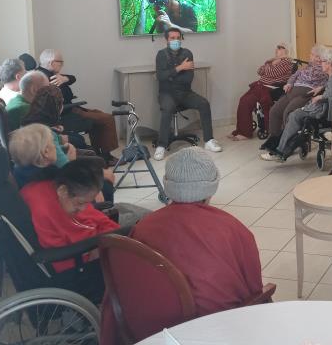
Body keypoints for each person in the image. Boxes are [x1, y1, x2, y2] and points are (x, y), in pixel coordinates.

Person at [99, 147, 264, 344]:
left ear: (168, 186)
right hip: (211, 332)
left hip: (147, 331)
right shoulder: (233, 229)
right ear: (211, 188)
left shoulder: (142, 226)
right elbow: (255, 292)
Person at [20, 157, 119, 274]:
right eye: (80, 203)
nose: (83, 208)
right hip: (81, 265)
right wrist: (97, 251)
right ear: (63, 191)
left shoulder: (62, 192)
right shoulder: (44, 213)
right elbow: (62, 262)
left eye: (88, 202)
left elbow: (103, 222)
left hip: (96, 242)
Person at [260, 48, 332, 162]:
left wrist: (322, 96)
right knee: (293, 115)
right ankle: (278, 147)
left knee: (293, 115)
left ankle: (281, 150)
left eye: (322, 61)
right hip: (317, 105)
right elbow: (330, 86)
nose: (320, 63)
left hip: (323, 108)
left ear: (329, 63)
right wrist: (322, 88)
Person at [37, 49, 119, 162]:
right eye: (60, 62)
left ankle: (99, 154)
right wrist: (65, 80)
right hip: (66, 114)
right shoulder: (49, 79)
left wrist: (65, 78)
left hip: (70, 109)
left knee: (98, 115)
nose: (62, 65)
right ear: (51, 63)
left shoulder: (42, 74)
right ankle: (106, 157)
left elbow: (72, 78)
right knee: (106, 119)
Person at [155, 26, 221, 159]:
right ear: (166, 40)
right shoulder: (161, 55)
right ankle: (161, 146)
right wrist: (180, 68)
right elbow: (161, 77)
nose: (176, 40)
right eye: (172, 38)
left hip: (185, 92)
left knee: (204, 103)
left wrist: (171, 74)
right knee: (167, 108)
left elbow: (188, 78)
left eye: (178, 38)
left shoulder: (187, 53)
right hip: (166, 93)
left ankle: (209, 140)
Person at [261, 44, 328, 152]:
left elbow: (330, 81)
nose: (310, 56)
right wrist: (289, 83)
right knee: (274, 111)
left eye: (312, 54)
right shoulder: (308, 66)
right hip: (292, 90)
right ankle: (273, 139)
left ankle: (285, 144)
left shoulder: (325, 67)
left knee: (287, 113)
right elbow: (294, 75)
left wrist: (322, 87)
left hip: (305, 94)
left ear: (318, 57)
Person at [228, 43, 294, 140]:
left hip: (269, 88)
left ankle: (244, 133)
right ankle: (241, 130)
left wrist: (269, 64)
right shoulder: (273, 61)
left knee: (246, 101)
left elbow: (272, 72)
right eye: (277, 47)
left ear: (287, 51)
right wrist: (270, 64)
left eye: (280, 48)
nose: (277, 49)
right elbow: (259, 71)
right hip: (260, 86)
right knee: (243, 100)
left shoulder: (287, 62)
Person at [22, 84, 87, 152]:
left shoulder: (34, 114)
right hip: (51, 148)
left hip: (49, 137)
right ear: (57, 106)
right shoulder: (44, 128)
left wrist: (54, 128)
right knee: (80, 141)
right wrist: (60, 138)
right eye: (62, 102)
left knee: (79, 138)